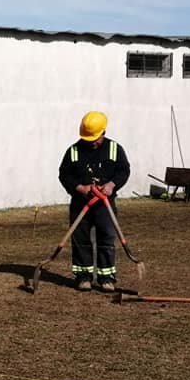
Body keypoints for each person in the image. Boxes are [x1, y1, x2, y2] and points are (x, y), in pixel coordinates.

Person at [58, 110, 131, 292]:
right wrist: (80, 188)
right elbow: (64, 174)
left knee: (106, 239)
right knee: (81, 240)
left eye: (95, 138)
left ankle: (106, 278)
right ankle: (83, 277)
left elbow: (123, 171)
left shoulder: (114, 149)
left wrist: (112, 185)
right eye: (88, 139)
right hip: (80, 204)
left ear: (103, 132)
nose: (92, 142)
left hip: (104, 205)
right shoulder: (74, 151)